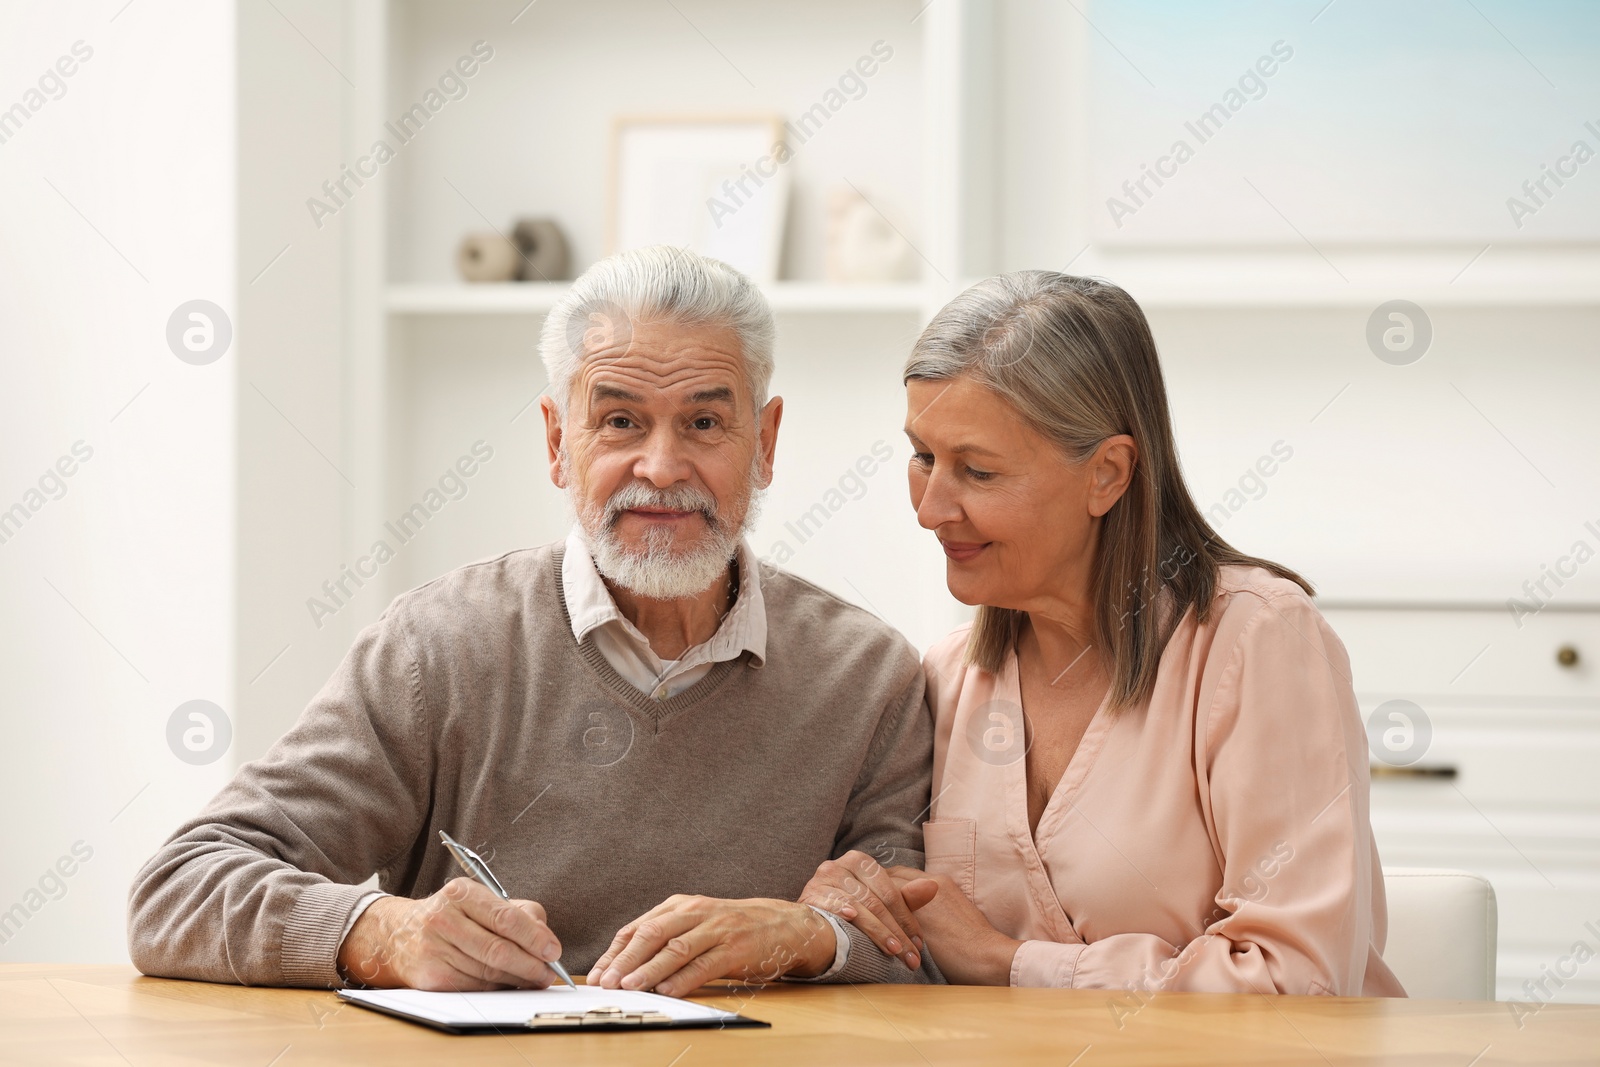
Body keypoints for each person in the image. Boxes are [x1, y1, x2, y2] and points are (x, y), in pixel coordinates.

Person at [128, 246, 932, 995]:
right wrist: (381, 932)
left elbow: (919, 945)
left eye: (704, 422)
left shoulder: (869, 676)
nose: (660, 466)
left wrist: (807, 936)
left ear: (765, 441)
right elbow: (178, 890)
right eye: (619, 421)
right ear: (557, 440)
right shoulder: (436, 647)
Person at [802, 271, 1405, 997]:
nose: (931, 508)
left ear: (1108, 474)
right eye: (923, 457)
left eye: (979, 470)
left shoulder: (1258, 642)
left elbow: (1298, 983)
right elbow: (913, 943)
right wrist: (852, 895)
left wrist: (1007, 960)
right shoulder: (946, 679)